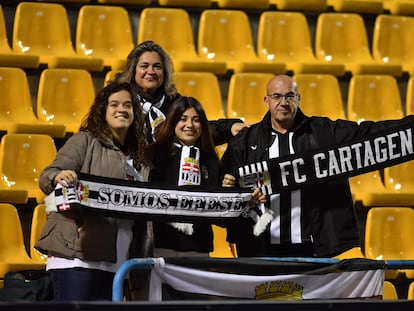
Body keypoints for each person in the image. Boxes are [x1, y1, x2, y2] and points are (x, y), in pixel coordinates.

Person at [221, 74, 414, 258]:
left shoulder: (323, 132)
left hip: (310, 246)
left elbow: (368, 134)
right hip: (258, 245)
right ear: (267, 101)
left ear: (298, 98)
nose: (283, 102)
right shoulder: (245, 141)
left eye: (290, 96)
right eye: (277, 96)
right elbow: (222, 189)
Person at [35, 81, 151, 301]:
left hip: (119, 262)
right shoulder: (84, 141)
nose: (121, 110)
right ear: (103, 111)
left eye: (127, 105)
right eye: (114, 104)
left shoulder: (141, 159)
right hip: (77, 257)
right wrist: (58, 177)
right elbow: (48, 175)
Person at [145, 96, 265, 257]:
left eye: (196, 120)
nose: (190, 125)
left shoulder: (211, 160)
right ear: (172, 122)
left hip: (199, 247)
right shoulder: (153, 155)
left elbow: (220, 215)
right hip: (160, 245)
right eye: (183, 119)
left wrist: (230, 193)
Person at [114, 40, 247, 145]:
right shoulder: (118, 98)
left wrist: (229, 128)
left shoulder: (174, 102)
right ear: (133, 70)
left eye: (157, 66)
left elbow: (198, 129)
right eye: (144, 66)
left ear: (165, 72)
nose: (151, 71)